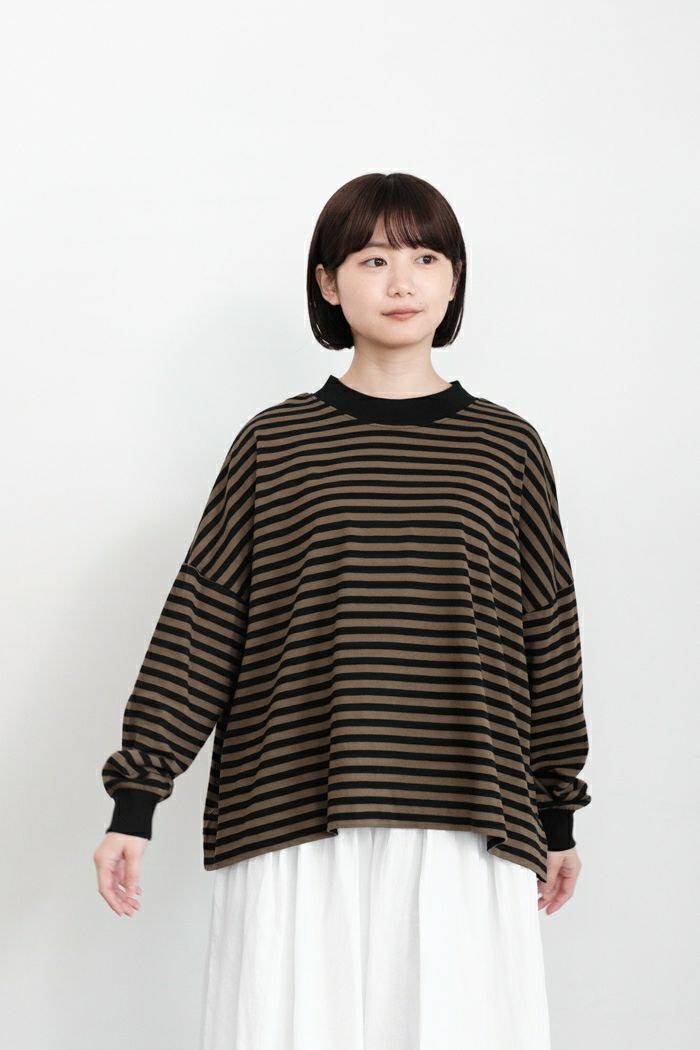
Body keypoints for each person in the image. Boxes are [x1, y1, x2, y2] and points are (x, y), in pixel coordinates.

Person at [94, 171, 591, 1049]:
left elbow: (547, 630)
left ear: (455, 278)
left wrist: (558, 811)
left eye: (425, 258)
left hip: (469, 810)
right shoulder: (276, 444)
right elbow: (205, 621)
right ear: (328, 282)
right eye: (373, 259)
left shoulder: (506, 448)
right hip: (293, 805)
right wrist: (137, 798)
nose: (402, 282)